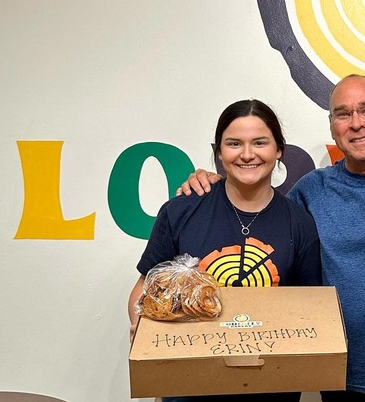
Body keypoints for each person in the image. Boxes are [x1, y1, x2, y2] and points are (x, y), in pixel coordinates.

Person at [179, 75, 365, 401]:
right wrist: (215, 186)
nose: (356, 123)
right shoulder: (310, 190)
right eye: (343, 114)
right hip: (339, 376)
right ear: (332, 126)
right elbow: (254, 224)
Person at [128, 99, 322, 402]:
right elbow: (144, 290)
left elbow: (309, 309)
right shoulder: (181, 210)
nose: (247, 154)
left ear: (279, 150)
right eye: (234, 143)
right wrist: (146, 333)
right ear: (219, 152)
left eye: (260, 142)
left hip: (269, 388)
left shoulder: (299, 223)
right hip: (187, 386)